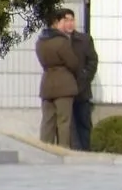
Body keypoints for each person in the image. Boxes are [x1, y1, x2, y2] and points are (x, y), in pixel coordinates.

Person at [35, 8, 80, 147]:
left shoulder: (40, 42)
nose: (67, 24)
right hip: (64, 84)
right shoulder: (62, 41)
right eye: (63, 21)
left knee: (47, 121)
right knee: (63, 122)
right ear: (56, 23)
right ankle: (63, 150)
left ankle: (44, 149)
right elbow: (73, 63)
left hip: (47, 83)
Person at [68, 13, 99, 151]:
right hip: (65, 90)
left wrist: (85, 76)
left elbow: (93, 61)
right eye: (66, 20)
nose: (69, 23)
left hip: (82, 90)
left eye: (72, 20)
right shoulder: (60, 41)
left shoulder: (84, 40)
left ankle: (87, 151)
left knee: (84, 123)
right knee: (68, 125)